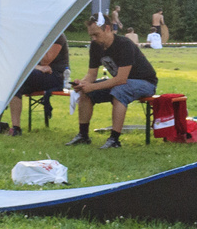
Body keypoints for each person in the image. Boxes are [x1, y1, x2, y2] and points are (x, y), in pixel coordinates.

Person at [67, 16, 157, 149]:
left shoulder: (124, 44)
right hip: (122, 81)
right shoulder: (95, 46)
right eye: (91, 35)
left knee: (119, 90)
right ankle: (83, 135)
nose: (94, 39)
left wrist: (92, 86)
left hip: (145, 82)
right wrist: (83, 83)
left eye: (96, 34)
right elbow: (91, 74)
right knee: (86, 92)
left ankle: (114, 140)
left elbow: (121, 79)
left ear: (107, 28)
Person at [0, 32, 70, 135]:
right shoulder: (35, 34)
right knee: (15, 84)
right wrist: (36, 66)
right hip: (38, 73)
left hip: (55, 76)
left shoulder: (57, 35)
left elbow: (46, 60)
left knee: (15, 80)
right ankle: (16, 128)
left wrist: (31, 47)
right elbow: (23, 61)